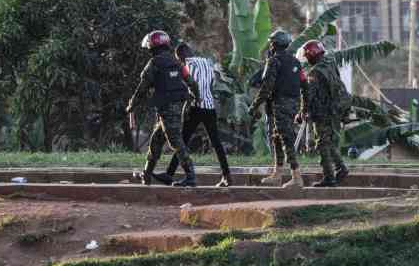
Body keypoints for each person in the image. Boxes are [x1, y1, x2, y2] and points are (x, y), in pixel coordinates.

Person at [152, 43, 232, 188]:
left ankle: (172, 175)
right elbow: (211, 84)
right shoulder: (207, 63)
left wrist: (184, 105)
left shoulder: (186, 65)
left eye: (179, 59)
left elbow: (190, 87)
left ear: (180, 56)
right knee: (216, 143)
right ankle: (227, 176)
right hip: (209, 107)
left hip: (195, 107)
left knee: (181, 141)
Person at [126, 31, 200, 187]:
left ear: (152, 46)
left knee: (176, 141)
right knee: (156, 140)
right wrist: (196, 98)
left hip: (166, 108)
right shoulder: (176, 62)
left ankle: (191, 176)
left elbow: (142, 88)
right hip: (177, 106)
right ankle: (146, 174)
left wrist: (132, 104)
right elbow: (191, 82)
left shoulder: (154, 63)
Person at [248, 30, 307, 189]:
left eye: (271, 43)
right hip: (293, 105)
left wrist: (254, 106)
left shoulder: (274, 61)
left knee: (286, 140)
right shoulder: (296, 62)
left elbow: (266, 87)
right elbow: (304, 85)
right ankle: (277, 174)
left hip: (280, 105)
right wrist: (303, 107)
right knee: (276, 138)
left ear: (274, 44)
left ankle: (296, 177)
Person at [296, 40, 349, 187]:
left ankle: (329, 177)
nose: (306, 59)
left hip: (323, 112)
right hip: (336, 109)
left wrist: (302, 112)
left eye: (307, 56)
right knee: (328, 142)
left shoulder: (315, 72)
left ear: (312, 55)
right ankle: (341, 168)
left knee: (322, 144)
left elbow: (308, 95)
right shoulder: (330, 64)